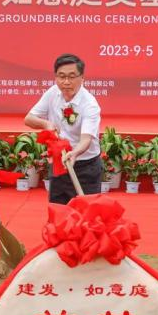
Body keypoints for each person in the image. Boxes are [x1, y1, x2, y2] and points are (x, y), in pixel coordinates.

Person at [24, 53, 102, 203]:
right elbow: (29, 119)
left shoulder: (90, 104)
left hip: (85, 166)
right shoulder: (53, 92)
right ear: (56, 77)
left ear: (82, 78)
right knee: (58, 209)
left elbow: (86, 139)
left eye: (72, 77)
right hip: (59, 162)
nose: (66, 82)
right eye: (61, 76)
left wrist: (75, 153)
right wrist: (46, 124)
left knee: (84, 211)